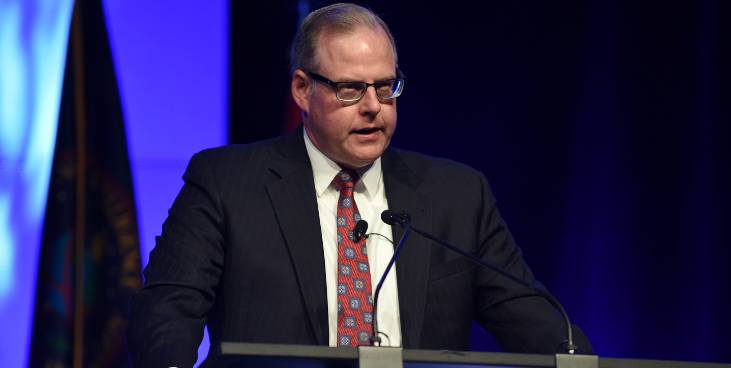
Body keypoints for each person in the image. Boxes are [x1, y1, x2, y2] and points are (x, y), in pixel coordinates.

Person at [127, 3, 592, 367]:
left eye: (385, 87)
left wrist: (580, 360)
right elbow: (168, 310)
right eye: (351, 89)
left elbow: (536, 324)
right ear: (303, 90)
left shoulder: (457, 195)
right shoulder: (226, 182)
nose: (373, 106)